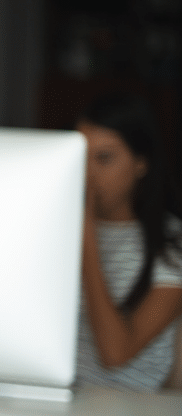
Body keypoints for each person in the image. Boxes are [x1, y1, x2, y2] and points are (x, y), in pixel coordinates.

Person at [74, 93, 182, 391]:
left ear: (140, 164)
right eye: (80, 158)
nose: (88, 174)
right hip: (60, 405)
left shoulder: (173, 245)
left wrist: (87, 241)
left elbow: (115, 354)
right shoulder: (56, 231)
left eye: (104, 158)